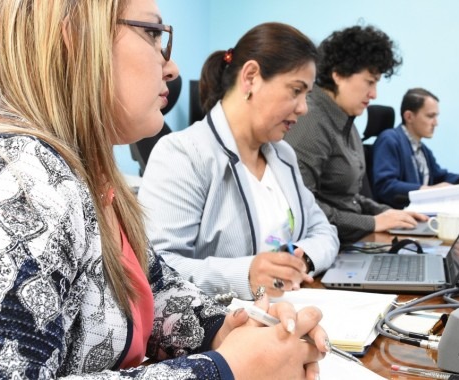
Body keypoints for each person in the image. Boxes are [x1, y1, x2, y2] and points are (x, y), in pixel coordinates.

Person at [0, 1, 329, 378]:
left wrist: (230, 328)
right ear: (75, 34)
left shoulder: (80, 173)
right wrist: (222, 370)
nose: (171, 67)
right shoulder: (4, 178)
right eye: (153, 35)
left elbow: (153, 288)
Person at [138, 22, 339, 302]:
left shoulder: (283, 155)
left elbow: (324, 232)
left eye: (307, 95)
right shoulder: (183, 154)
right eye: (296, 91)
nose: (303, 108)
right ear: (251, 77)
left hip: (291, 309)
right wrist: (247, 274)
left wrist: (300, 261)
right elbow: (156, 269)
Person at [283, 25, 427, 245]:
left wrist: (387, 213)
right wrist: (373, 222)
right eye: (370, 82)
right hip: (323, 248)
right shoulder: (311, 121)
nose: (374, 94)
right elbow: (301, 207)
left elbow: (346, 199)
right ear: (339, 74)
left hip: (348, 241)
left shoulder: (346, 120)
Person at [372, 88, 459, 209]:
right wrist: (427, 191)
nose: (436, 123)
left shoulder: (422, 149)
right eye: (430, 116)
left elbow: (439, 176)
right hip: (399, 216)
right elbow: (385, 186)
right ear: (409, 117)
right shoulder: (389, 140)